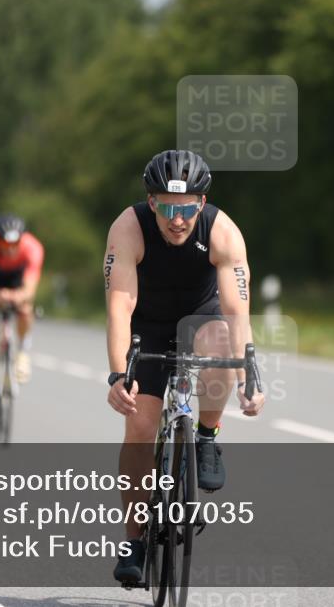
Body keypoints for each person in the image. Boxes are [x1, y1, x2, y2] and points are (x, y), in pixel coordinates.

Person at [104, 150, 266, 584]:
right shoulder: (128, 228)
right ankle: (134, 540)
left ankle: (207, 435)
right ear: (152, 202)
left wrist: (250, 374)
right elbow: (121, 307)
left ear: (202, 202)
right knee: (139, 427)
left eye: (189, 208)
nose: (178, 219)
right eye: (169, 207)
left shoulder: (223, 232)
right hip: (148, 325)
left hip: (202, 316)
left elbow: (238, 315)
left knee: (219, 339)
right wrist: (120, 375)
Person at [0, 214, 44, 430]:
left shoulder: (33, 248)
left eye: (15, 243)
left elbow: (29, 289)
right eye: (5, 243)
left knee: (25, 310)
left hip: (17, 277)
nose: (11, 248)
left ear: (22, 239)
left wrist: (18, 298)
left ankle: (23, 351)